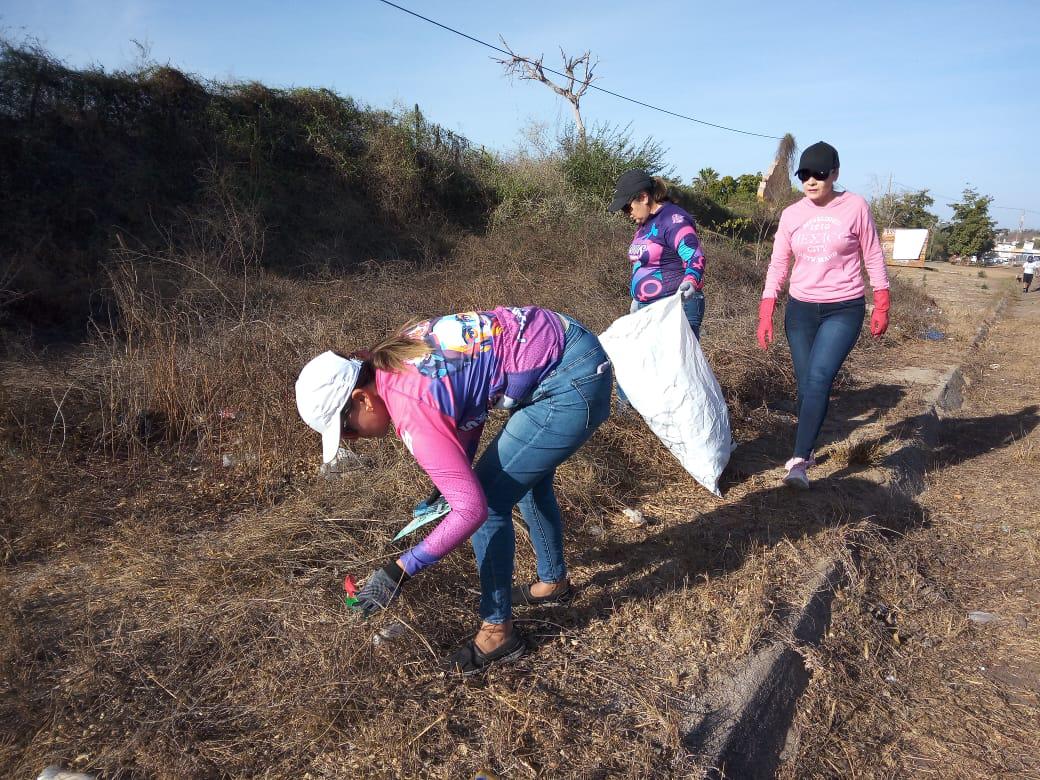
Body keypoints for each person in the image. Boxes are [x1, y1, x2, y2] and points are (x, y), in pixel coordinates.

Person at [295, 306, 612, 674]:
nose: (355, 440)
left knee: (492, 503)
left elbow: (472, 511)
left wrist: (399, 570)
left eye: (347, 430)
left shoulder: (409, 404)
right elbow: (469, 401)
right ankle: (552, 582)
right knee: (521, 478)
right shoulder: (404, 351)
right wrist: (455, 472)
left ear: (361, 400)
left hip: (571, 381)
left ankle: (498, 633)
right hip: (570, 347)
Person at [755, 141, 891, 489]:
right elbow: (779, 263)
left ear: (834, 173)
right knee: (805, 386)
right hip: (800, 309)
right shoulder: (792, 214)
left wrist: (882, 300)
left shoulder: (854, 206)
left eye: (819, 174)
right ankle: (811, 446)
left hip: (843, 307)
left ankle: (799, 462)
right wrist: (767, 308)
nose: (811, 181)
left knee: (818, 379)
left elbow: (872, 254)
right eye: (804, 174)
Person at [608, 169, 707, 335]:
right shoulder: (645, 224)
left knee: (674, 362)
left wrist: (691, 281)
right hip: (646, 308)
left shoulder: (673, 220)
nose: (627, 214)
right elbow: (643, 262)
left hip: (674, 306)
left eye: (627, 207)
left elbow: (694, 255)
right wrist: (637, 299)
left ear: (643, 197)